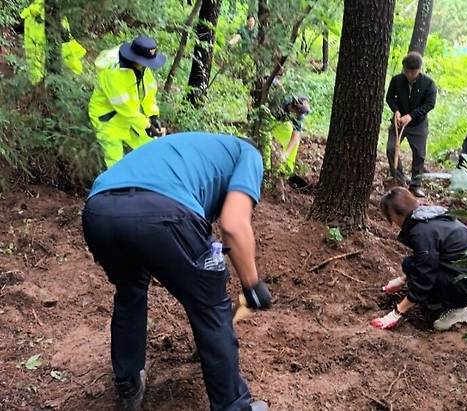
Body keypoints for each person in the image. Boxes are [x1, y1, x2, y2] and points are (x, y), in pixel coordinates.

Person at [81, 132, 271, 411]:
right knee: (211, 304)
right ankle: (234, 406)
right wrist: (252, 285)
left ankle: (128, 383)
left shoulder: (192, 147)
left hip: (99, 211)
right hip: (164, 211)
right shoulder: (249, 155)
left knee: (130, 291)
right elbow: (233, 223)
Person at [371, 187, 467, 331]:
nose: (392, 222)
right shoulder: (430, 215)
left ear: (398, 214)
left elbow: (424, 277)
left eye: (390, 217)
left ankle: (459, 309)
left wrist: (396, 314)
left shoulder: (422, 231)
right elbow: (426, 260)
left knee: (417, 270)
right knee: (410, 265)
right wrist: (402, 280)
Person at [88, 36, 166, 168]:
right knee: (115, 162)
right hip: (108, 118)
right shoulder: (113, 73)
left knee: (151, 149)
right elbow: (124, 107)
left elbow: (149, 93)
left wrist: (153, 116)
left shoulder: (143, 69)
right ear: (136, 58)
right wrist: (147, 126)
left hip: (131, 117)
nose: (148, 66)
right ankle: (114, 187)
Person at [385, 51, 437, 198]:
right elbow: (390, 98)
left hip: (418, 125)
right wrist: (396, 111)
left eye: (412, 72)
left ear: (419, 70)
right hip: (399, 122)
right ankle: (399, 180)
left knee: (419, 154)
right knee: (391, 148)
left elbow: (430, 104)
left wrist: (412, 116)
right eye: (406, 71)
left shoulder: (428, 84)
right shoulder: (397, 80)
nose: (409, 75)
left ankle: (415, 185)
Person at [20, 0, 86, 84]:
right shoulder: (53, 12)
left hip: (35, 44)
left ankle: (38, 82)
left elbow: (19, 25)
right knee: (53, 61)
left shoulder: (31, 11)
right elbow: (64, 32)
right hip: (50, 40)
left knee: (36, 61)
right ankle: (51, 84)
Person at [271, 95, 311, 176]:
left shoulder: (299, 115)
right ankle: (269, 169)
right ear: (293, 107)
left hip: (284, 122)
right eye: (297, 113)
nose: (298, 116)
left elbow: (296, 135)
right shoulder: (279, 102)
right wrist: (273, 146)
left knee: (294, 143)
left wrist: (285, 154)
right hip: (271, 119)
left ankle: (286, 171)